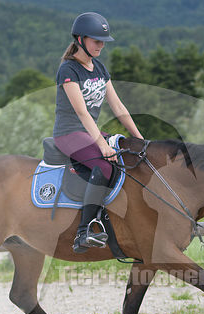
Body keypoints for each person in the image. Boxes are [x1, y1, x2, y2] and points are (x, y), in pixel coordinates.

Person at [53, 12, 143, 253]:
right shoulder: (69, 70)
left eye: (103, 41)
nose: (101, 45)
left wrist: (139, 138)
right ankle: (84, 231)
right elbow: (82, 113)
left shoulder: (99, 67)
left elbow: (118, 107)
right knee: (104, 166)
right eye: (96, 40)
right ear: (80, 39)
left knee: (127, 156)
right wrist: (102, 145)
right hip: (69, 133)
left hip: (89, 132)